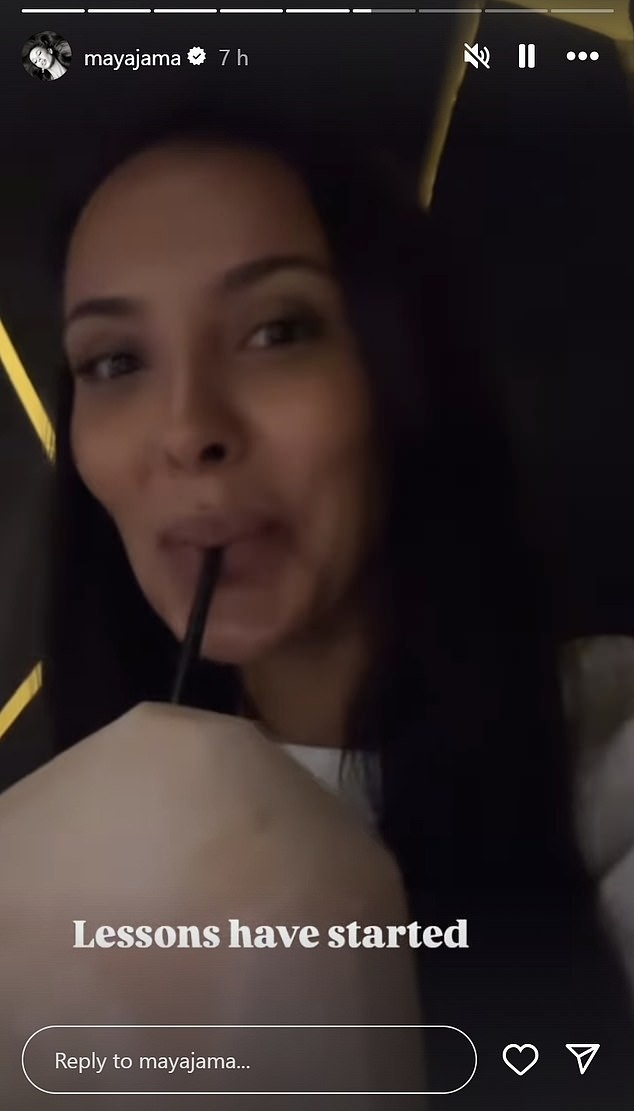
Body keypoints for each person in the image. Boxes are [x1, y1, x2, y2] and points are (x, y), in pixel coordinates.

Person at [30, 103, 632, 1101]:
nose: (186, 430)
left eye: (277, 331)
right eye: (115, 362)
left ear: (406, 371)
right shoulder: (55, 852)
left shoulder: (611, 775)